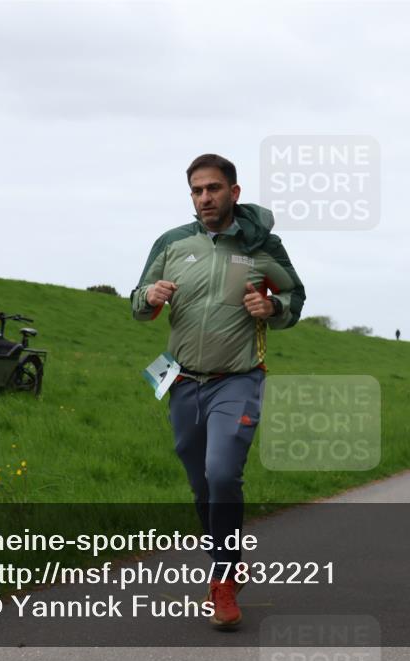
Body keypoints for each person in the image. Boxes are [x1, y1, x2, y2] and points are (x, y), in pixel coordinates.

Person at [130, 154, 305, 628]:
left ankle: (223, 580)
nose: (204, 198)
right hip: (181, 379)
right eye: (196, 190)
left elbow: (295, 298)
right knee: (201, 483)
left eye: (212, 188)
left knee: (222, 472)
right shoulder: (172, 243)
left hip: (238, 377)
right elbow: (137, 303)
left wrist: (272, 306)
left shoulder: (262, 247)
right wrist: (148, 298)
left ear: (234, 192)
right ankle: (229, 560)